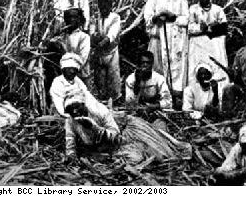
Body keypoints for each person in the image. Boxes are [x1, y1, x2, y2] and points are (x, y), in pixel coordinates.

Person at [51, 53, 191, 164]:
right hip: (109, 143)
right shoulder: (70, 119)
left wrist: (94, 127)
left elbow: (115, 135)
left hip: (126, 132)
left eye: (77, 107)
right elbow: (70, 140)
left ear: (84, 104)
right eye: (71, 108)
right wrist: (71, 155)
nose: (75, 112)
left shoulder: (99, 112)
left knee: (156, 152)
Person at [144, 0, 189, 95]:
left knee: (175, 70)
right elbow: (147, 17)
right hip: (158, 38)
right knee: (157, 68)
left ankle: (174, 96)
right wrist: (156, 17)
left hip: (175, 42)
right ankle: (156, 96)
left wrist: (173, 17)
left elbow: (186, 19)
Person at [188, 0, 229, 102]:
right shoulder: (193, 9)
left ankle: (219, 97)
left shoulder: (218, 10)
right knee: (198, 69)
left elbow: (224, 27)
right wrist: (201, 28)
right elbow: (190, 28)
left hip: (214, 45)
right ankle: (197, 99)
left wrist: (210, 28)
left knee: (216, 68)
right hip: (198, 46)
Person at [222, 21, 246, 118]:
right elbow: (236, 72)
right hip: (244, 86)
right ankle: (227, 118)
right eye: (245, 33)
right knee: (228, 88)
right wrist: (234, 75)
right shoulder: (240, 52)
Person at [91, 0, 121, 100]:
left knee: (113, 76)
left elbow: (112, 34)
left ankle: (116, 99)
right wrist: (94, 37)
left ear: (110, 6)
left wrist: (102, 42)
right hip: (100, 52)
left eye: (106, 7)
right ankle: (102, 97)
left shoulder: (115, 18)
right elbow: (92, 31)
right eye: (101, 7)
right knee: (100, 77)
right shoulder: (96, 17)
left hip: (111, 52)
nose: (103, 9)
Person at [53, 8, 91, 86]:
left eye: (74, 17)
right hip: (64, 77)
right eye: (68, 17)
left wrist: (64, 51)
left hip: (81, 77)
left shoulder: (84, 37)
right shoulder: (62, 37)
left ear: (79, 19)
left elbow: (82, 60)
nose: (71, 20)